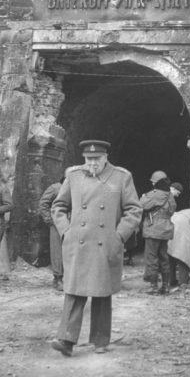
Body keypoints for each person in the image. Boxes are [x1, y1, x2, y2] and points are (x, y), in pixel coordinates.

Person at [50, 140, 142, 357]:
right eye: (88, 159)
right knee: (74, 290)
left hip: (105, 242)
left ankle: (100, 340)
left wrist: (118, 235)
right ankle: (66, 339)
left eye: (96, 159)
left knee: (102, 291)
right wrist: (66, 231)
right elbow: (58, 206)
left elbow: (134, 210)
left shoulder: (121, 177)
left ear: (105, 157)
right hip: (78, 242)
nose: (92, 163)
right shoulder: (73, 176)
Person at [140, 170, 176, 295]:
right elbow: (172, 210)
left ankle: (153, 286)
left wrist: (144, 197)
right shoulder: (170, 195)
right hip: (166, 229)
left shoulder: (153, 194)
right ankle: (165, 286)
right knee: (164, 257)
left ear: (156, 183)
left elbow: (142, 205)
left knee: (151, 258)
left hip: (153, 229)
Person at [39, 171, 66, 291]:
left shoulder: (77, 189)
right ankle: (58, 278)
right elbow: (43, 203)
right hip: (56, 224)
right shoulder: (55, 188)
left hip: (71, 224)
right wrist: (49, 219)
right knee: (57, 252)